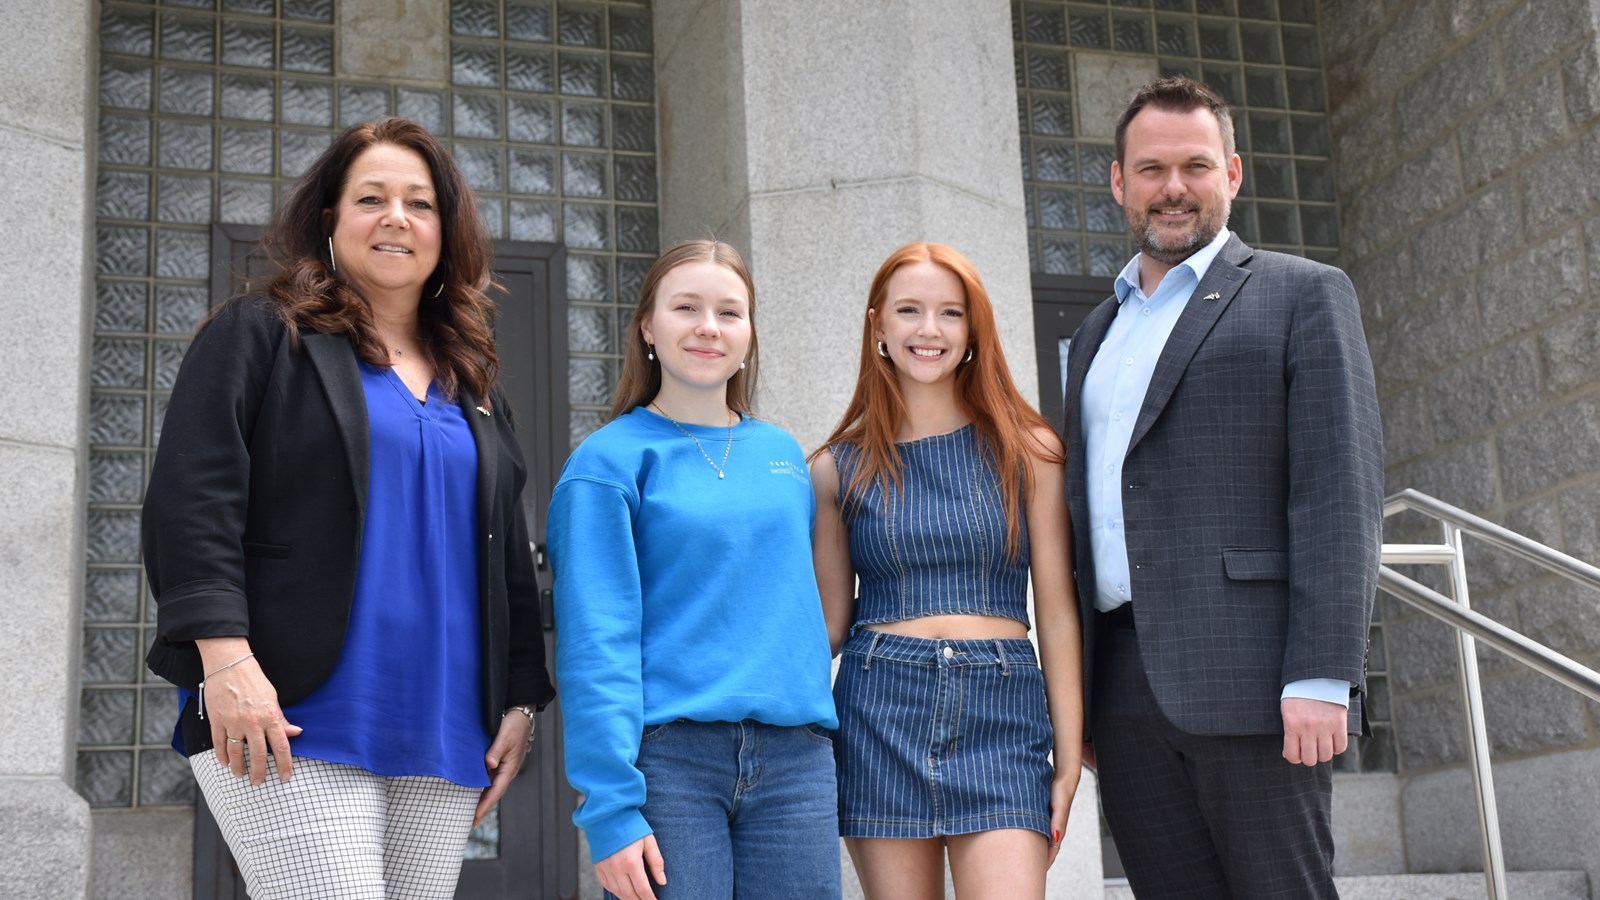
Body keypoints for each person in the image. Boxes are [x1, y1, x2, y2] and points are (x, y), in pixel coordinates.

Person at [141, 116, 555, 900]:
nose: (396, 217)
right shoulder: (260, 334)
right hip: (288, 711)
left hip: (441, 723)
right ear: (330, 219)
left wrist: (521, 701)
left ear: (446, 230)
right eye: (371, 198)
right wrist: (224, 662)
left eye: (420, 203)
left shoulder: (476, 385)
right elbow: (192, 502)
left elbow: (507, 555)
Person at [1063, 76, 1383, 899]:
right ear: (1117, 182)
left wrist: (1320, 674)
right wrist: (1084, 698)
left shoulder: (1301, 293)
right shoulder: (1098, 328)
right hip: (1123, 685)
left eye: (1195, 166)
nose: (1173, 188)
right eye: (1151, 169)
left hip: (1256, 683)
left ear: (1233, 174)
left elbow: (1337, 493)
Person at [547, 240, 841, 900]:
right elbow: (597, 645)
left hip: (796, 763)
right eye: (686, 307)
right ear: (648, 326)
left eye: (729, 312)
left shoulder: (784, 456)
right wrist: (611, 810)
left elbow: (806, 608)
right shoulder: (607, 464)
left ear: (748, 334)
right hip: (670, 764)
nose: (709, 327)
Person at [811, 242, 1084, 900]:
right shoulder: (832, 469)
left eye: (949, 313)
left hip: (1003, 714)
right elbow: (826, 629)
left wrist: (1070, 758)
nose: (928, 330)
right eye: (909, 310)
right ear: (878, 325)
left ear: (973, 330)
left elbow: (1056, 611)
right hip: (879, 709)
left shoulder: (1030, 450)